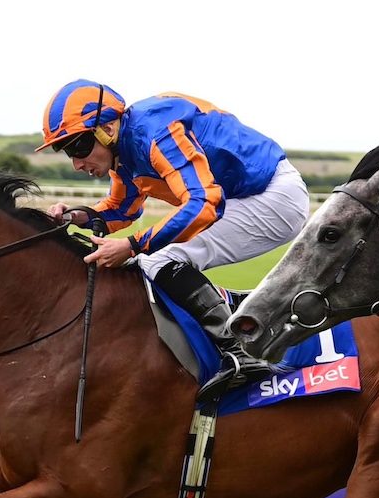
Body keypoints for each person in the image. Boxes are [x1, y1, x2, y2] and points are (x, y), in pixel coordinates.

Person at [36, 80, 311, 400]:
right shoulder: (124, 149)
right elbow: (122, 210)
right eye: (67, 151)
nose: (77, 163)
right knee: (152, 259)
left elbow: (203, 203)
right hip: (241, 198)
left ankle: (241, 354)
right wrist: (77, 216)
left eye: (79, 147)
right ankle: (231, 316)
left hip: (271, 196)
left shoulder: (154, 132)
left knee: (156, 258)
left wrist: (133, 245)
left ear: (107, 128)